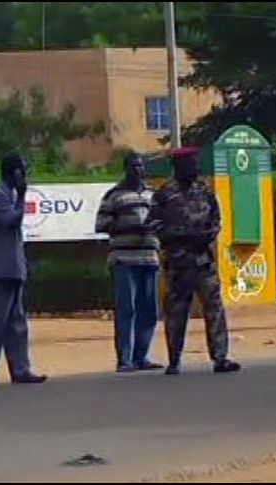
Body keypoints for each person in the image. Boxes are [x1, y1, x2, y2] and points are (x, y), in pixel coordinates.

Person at [146, 147, 241, 376]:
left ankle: (220, 357)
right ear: (178, 167)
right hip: (178, 263)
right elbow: (152, 224)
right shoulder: (164, 193)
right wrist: (179, 235)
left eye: (196, 164)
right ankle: (174, 360)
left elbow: (216, 218)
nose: (195, 169)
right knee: (177, 312)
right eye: (190, 164)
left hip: (203, 260)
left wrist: (208, 234)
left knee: (214, 307)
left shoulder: (204, 190)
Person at [0, 153, 47, 388]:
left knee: (17, 323)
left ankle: (21, 369)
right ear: (14, 173)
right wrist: (23, 196)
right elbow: (11, 221)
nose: (25, 176)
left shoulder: (10, 195)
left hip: (13, 268)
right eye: (23, 171)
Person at [95, 152, 162, 373]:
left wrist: (154, 228)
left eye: (141, 166)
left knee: (149, 309)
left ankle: (141, 356)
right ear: (125, 168)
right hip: (124, 258)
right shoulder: (114, 195)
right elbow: (102, 224)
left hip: (150, 258)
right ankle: (124, 359)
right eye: (133, 166)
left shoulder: (154, 194)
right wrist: (131, 227)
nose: (138, 170)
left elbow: (163, 221)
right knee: (127, 309)